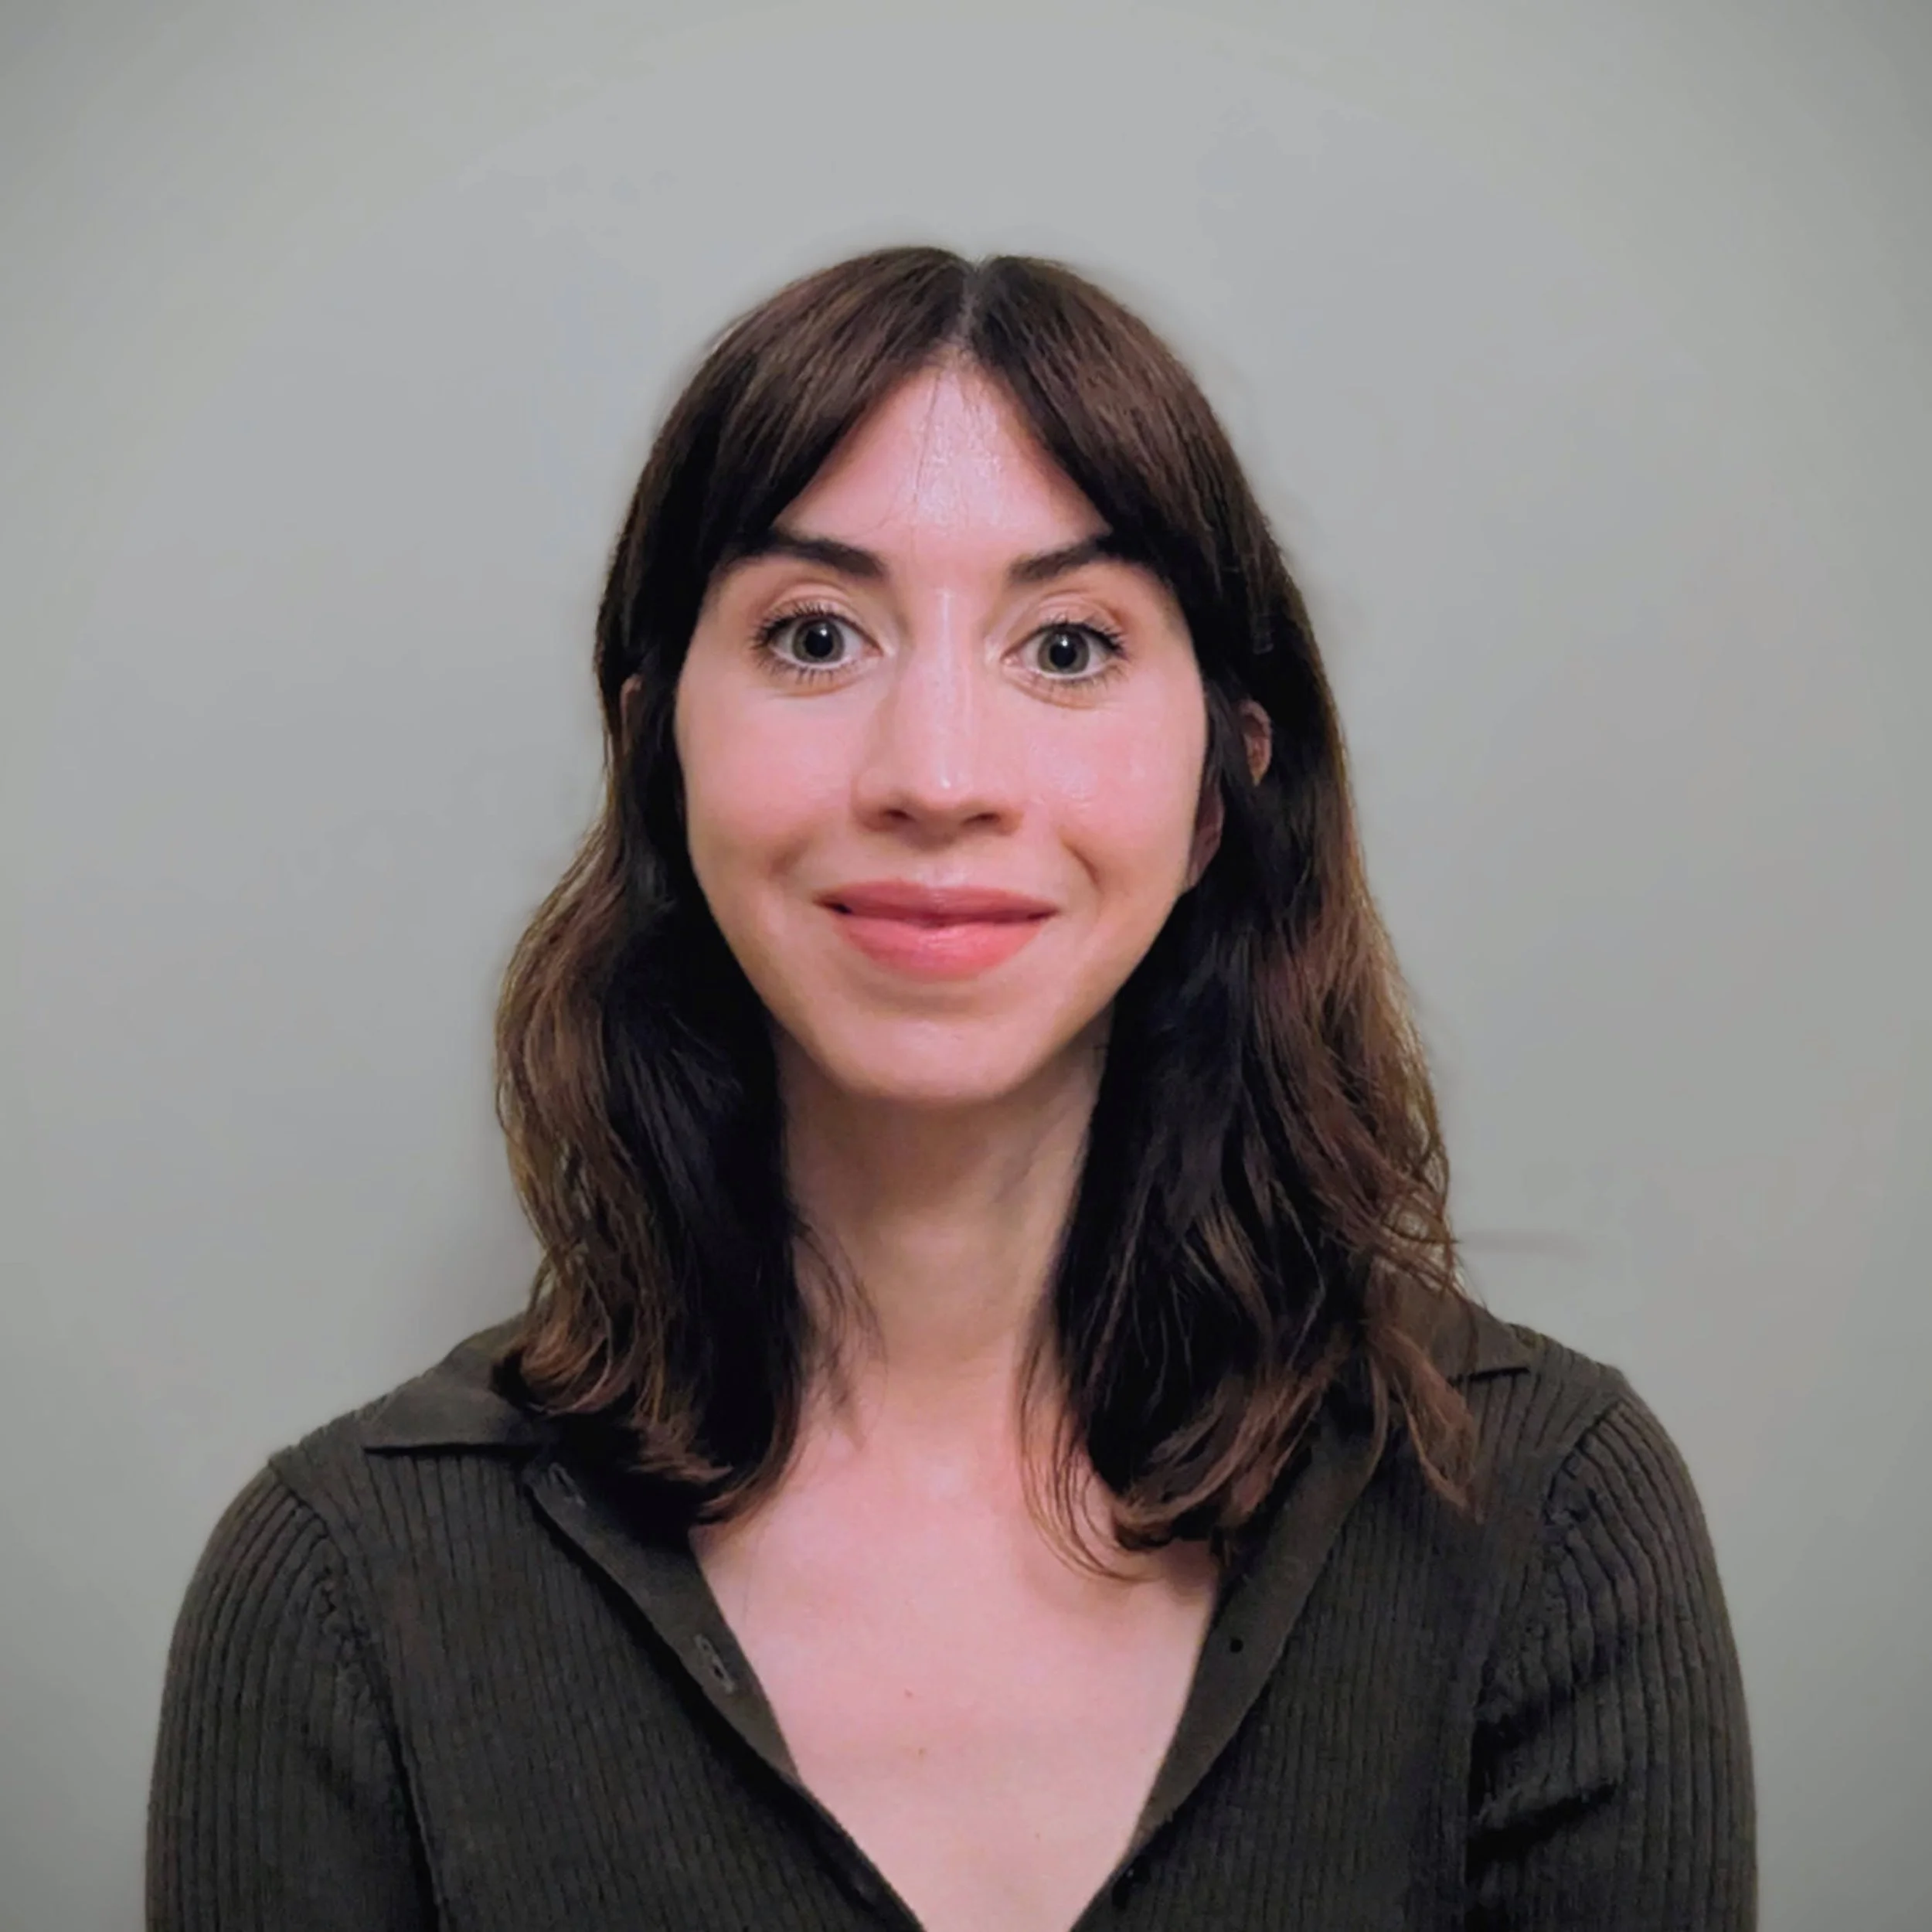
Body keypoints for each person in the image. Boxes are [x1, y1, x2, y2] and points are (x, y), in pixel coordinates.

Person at [146, 247, 1754, 1931]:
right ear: (656, 748)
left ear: (1220, 784)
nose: (936, 776)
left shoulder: (1544, 1519)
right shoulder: (339, 1593)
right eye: (813, 636)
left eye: (1065, 646)